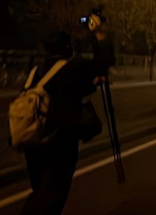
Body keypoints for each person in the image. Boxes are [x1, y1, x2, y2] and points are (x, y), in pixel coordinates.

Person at [20, 31, 104, 215]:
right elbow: (100, 67)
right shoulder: (72, 68)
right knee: (53, 197)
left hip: (32, 141)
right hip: (59, 144)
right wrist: (99, 35)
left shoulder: (35, 72)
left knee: (42, 191)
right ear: (67, 48)